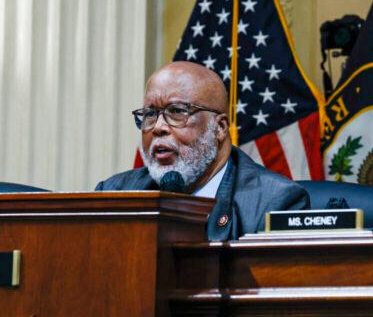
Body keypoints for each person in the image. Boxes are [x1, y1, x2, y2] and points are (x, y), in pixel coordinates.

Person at [96, 61, 310, 240]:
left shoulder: (274, 203)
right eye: (150, 114)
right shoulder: (112, 195)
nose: (159, 127)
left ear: (220, 128)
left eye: (177, 111)